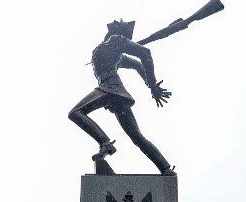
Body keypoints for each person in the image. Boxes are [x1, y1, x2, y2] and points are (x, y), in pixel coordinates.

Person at [68, 19, 176, 176]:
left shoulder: (115, 40)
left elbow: (144, 54)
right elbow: (138, 65)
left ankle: (105, 143)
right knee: (137, 137)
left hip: (110, 89)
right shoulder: (112, 48)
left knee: (75, 113)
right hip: (116, 95)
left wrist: (151, 84)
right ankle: (165, 168)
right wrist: (149, 84)